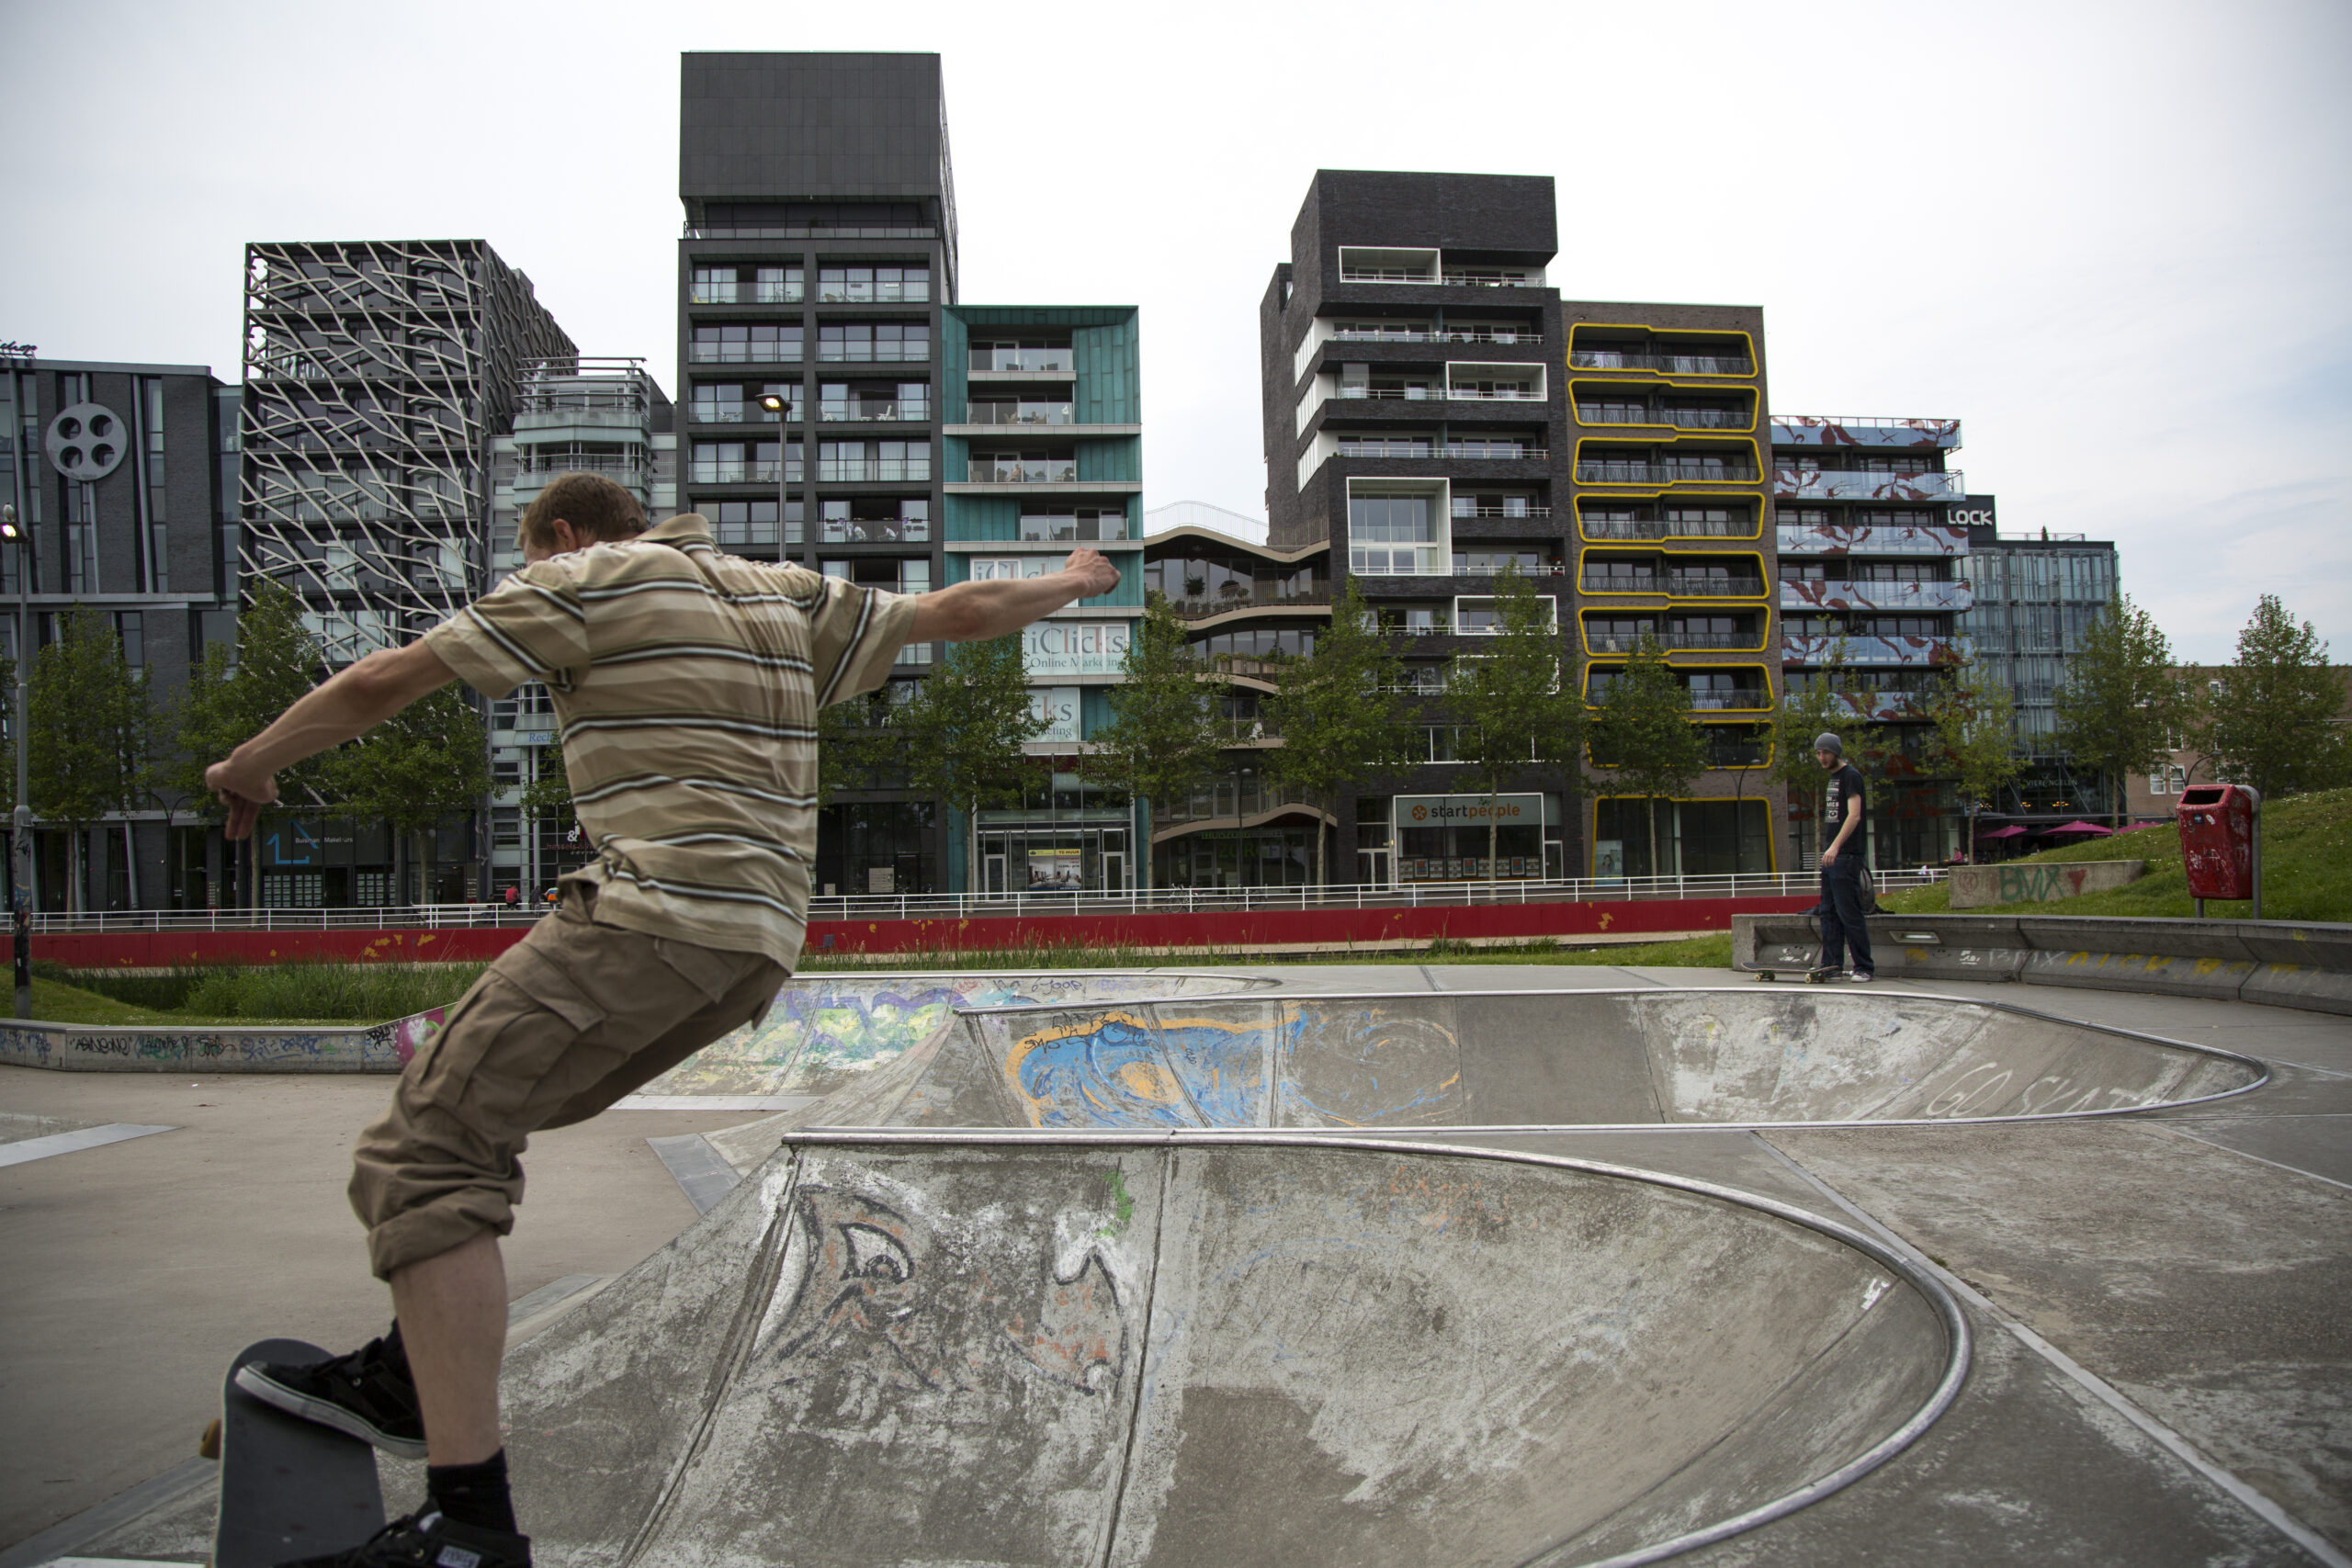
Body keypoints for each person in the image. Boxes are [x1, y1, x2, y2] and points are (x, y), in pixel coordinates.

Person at [202, 473, 1119, 1568]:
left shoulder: (582, 579)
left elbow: (385, 678)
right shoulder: (781, 592)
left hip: (651, 919)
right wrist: (1071, 580)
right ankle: (416, 1364)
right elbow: (959, 613)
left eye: (530, 555)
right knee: (475, 1127)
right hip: (753, 950)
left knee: (424, 1149)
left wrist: (251, 761)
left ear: (565, 533)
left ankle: (467, 1527)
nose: (525, 580)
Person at [1813, 733, 1873, 981]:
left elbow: (1855, 815)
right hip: (1831, 856)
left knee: (1849, 912)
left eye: (1825, 752)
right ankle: (1831, 965)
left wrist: (1836, 846)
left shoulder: (1851, 776)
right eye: (1818, 753)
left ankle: (1864, 967)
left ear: (1836, 751)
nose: (1821, 757)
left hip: (1846, 855)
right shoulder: (1833, 778)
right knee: (1827, 911)